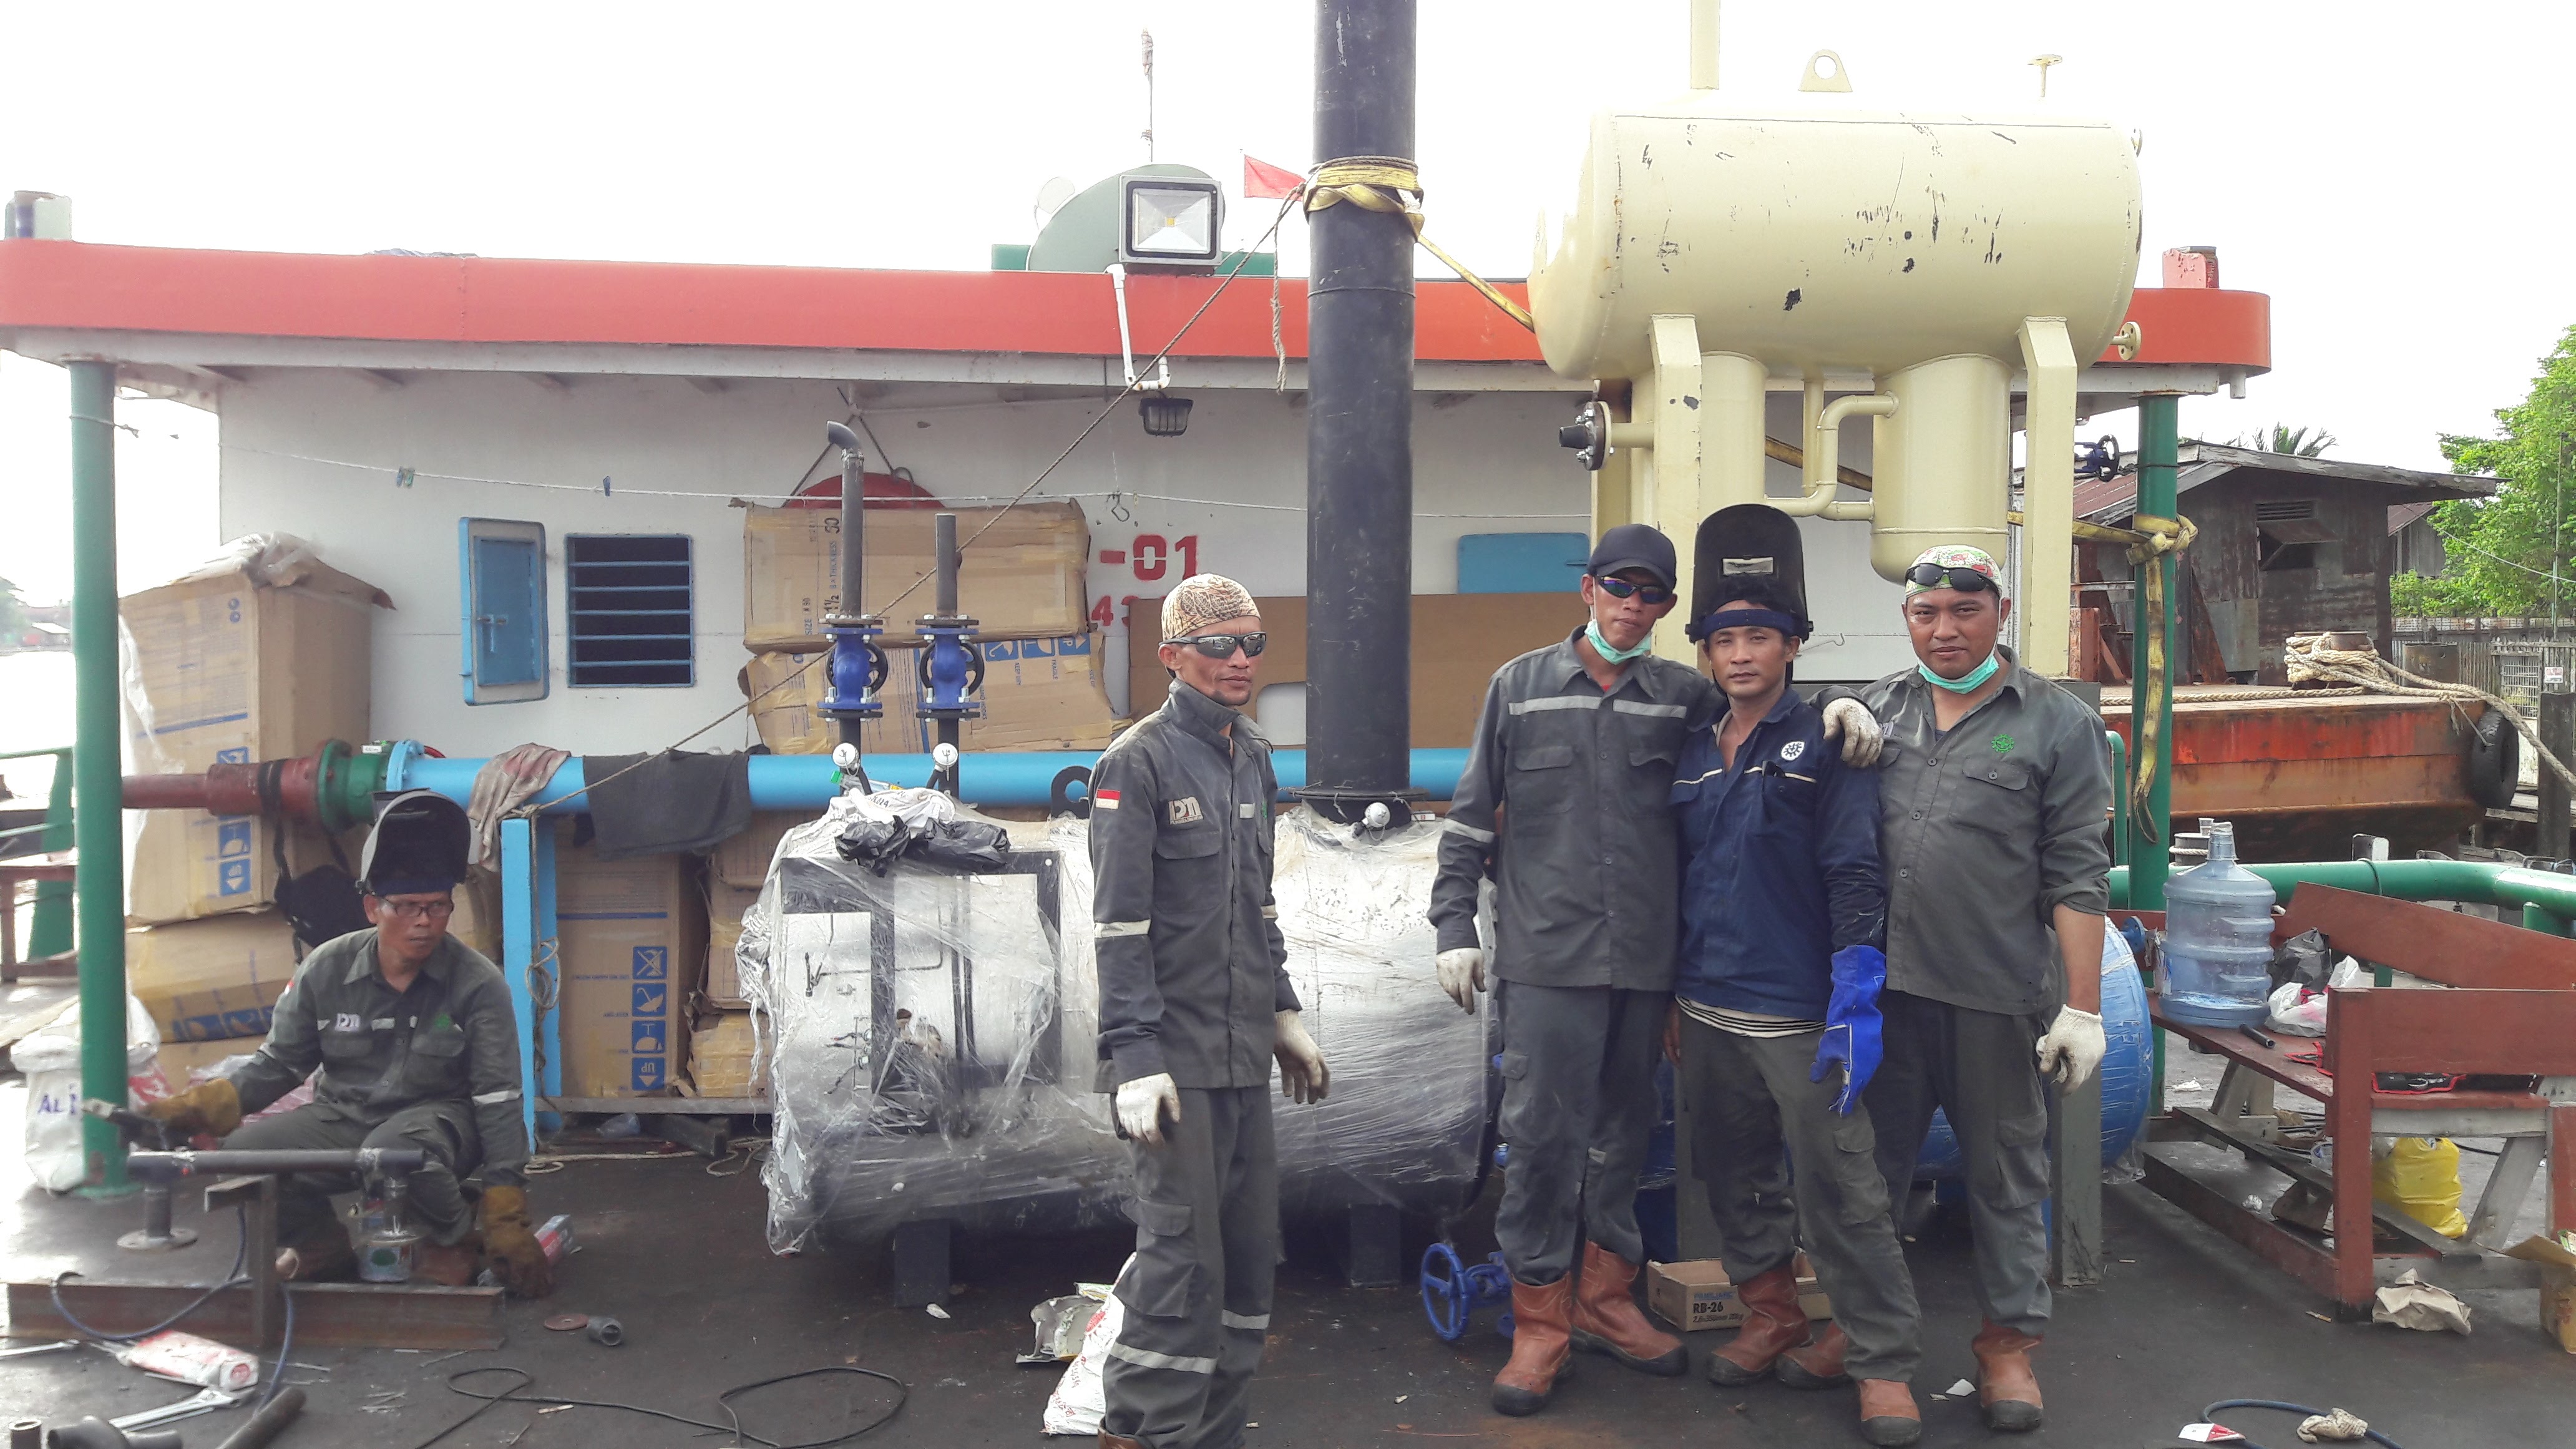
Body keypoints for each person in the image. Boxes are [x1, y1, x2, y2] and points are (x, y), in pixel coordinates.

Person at [1430, 523, 1885, 1417]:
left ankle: (1605, 1301)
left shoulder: (1684, 697)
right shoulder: (1518, 688)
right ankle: (1540, 1323)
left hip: (1647, 966)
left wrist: (1845, 704)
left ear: (1669, 608)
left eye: (1652, 595)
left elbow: (1767, 712)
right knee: (1542, 1140)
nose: (1632, 606)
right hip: (1548, 961)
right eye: (1618, 587)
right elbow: (1472, 816)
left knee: (1623, 1138)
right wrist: (1454, 924)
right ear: (1588, 589)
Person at [1666, 504, 1923, 1448]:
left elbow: (1854, 871)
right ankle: (1772, 1311)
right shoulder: (1692, 746)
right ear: (1705, 652)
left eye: (1760, 638)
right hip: (1705, 1005)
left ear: (1793, 645)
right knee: (1733, 1174)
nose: (1741, 655)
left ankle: (1882, 1360)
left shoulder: (1828, 741)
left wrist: (1856, 994)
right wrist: (1670, 997)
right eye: (1724, 639)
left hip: (1799, 1014)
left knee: (1841, 1189)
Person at [1857, 545, 2111, 1434]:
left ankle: (2007, 1347)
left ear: (1999, 614)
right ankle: (1874, 1355)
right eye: (1926, 613)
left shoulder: (2055, 723)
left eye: (1965, 611)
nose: (1945, 630)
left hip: (1995, 996)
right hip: (1882, 998)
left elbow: (2078, 873)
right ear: (1908, 619)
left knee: (2006, 1178)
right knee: (1866, 1182)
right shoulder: (1877, 708)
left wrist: (2083, 1007)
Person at [1090, 573, 1331, 1449]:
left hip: (1239, 1052)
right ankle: (1144, 1433)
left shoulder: (1253, 756)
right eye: (1219, 645)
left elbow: (1257, 906)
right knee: (1181, 1261)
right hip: (1175, 1061)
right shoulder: (1137, 762)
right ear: (1172, 656)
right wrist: (1134, 1057)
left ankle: (1214, 1435)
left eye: (1252, 643)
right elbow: (1119, 926)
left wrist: (1282, 1013)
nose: (1240, 660)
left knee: (1247, 1257)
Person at [142, 791, 553, 1296]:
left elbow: (498, 1098)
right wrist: (201, 1107)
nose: (424, 921)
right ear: (372, 908)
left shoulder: (478, 984)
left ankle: (452, 1240)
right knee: (244, 1153)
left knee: (392, 1151)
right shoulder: (326, 969)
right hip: (344, 1116)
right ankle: (319, 1245)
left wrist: (506, 1210)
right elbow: (280, 1065)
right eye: (406, 907)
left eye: (437, 906)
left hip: (441, 1122)